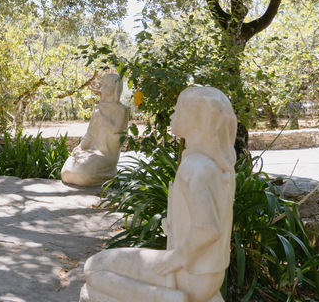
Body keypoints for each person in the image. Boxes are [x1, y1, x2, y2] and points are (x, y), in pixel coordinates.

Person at [80, 87, 237, 302]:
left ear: (195, 119)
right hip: (209, 279)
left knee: (94, 267)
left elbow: (208, 229)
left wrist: (175, 257)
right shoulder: (221, 166)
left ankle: (169, 298)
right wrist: (177, 226)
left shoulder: (194, 167)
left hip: (187, 277)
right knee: (100, 268)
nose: (173, 114)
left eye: (178, 110)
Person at [61, 73, 128, 186]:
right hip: (91, 152)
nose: (104, 87)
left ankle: (110, 173)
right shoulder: (97, 108)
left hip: (107, 155)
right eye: (103, 84)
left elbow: (117, 136)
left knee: (82, 174)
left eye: (108, 84)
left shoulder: (121, 109)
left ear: (116, 88)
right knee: (66, 171)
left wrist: (101, 118)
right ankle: (95, 174)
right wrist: (80, 147)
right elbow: (90, 133)